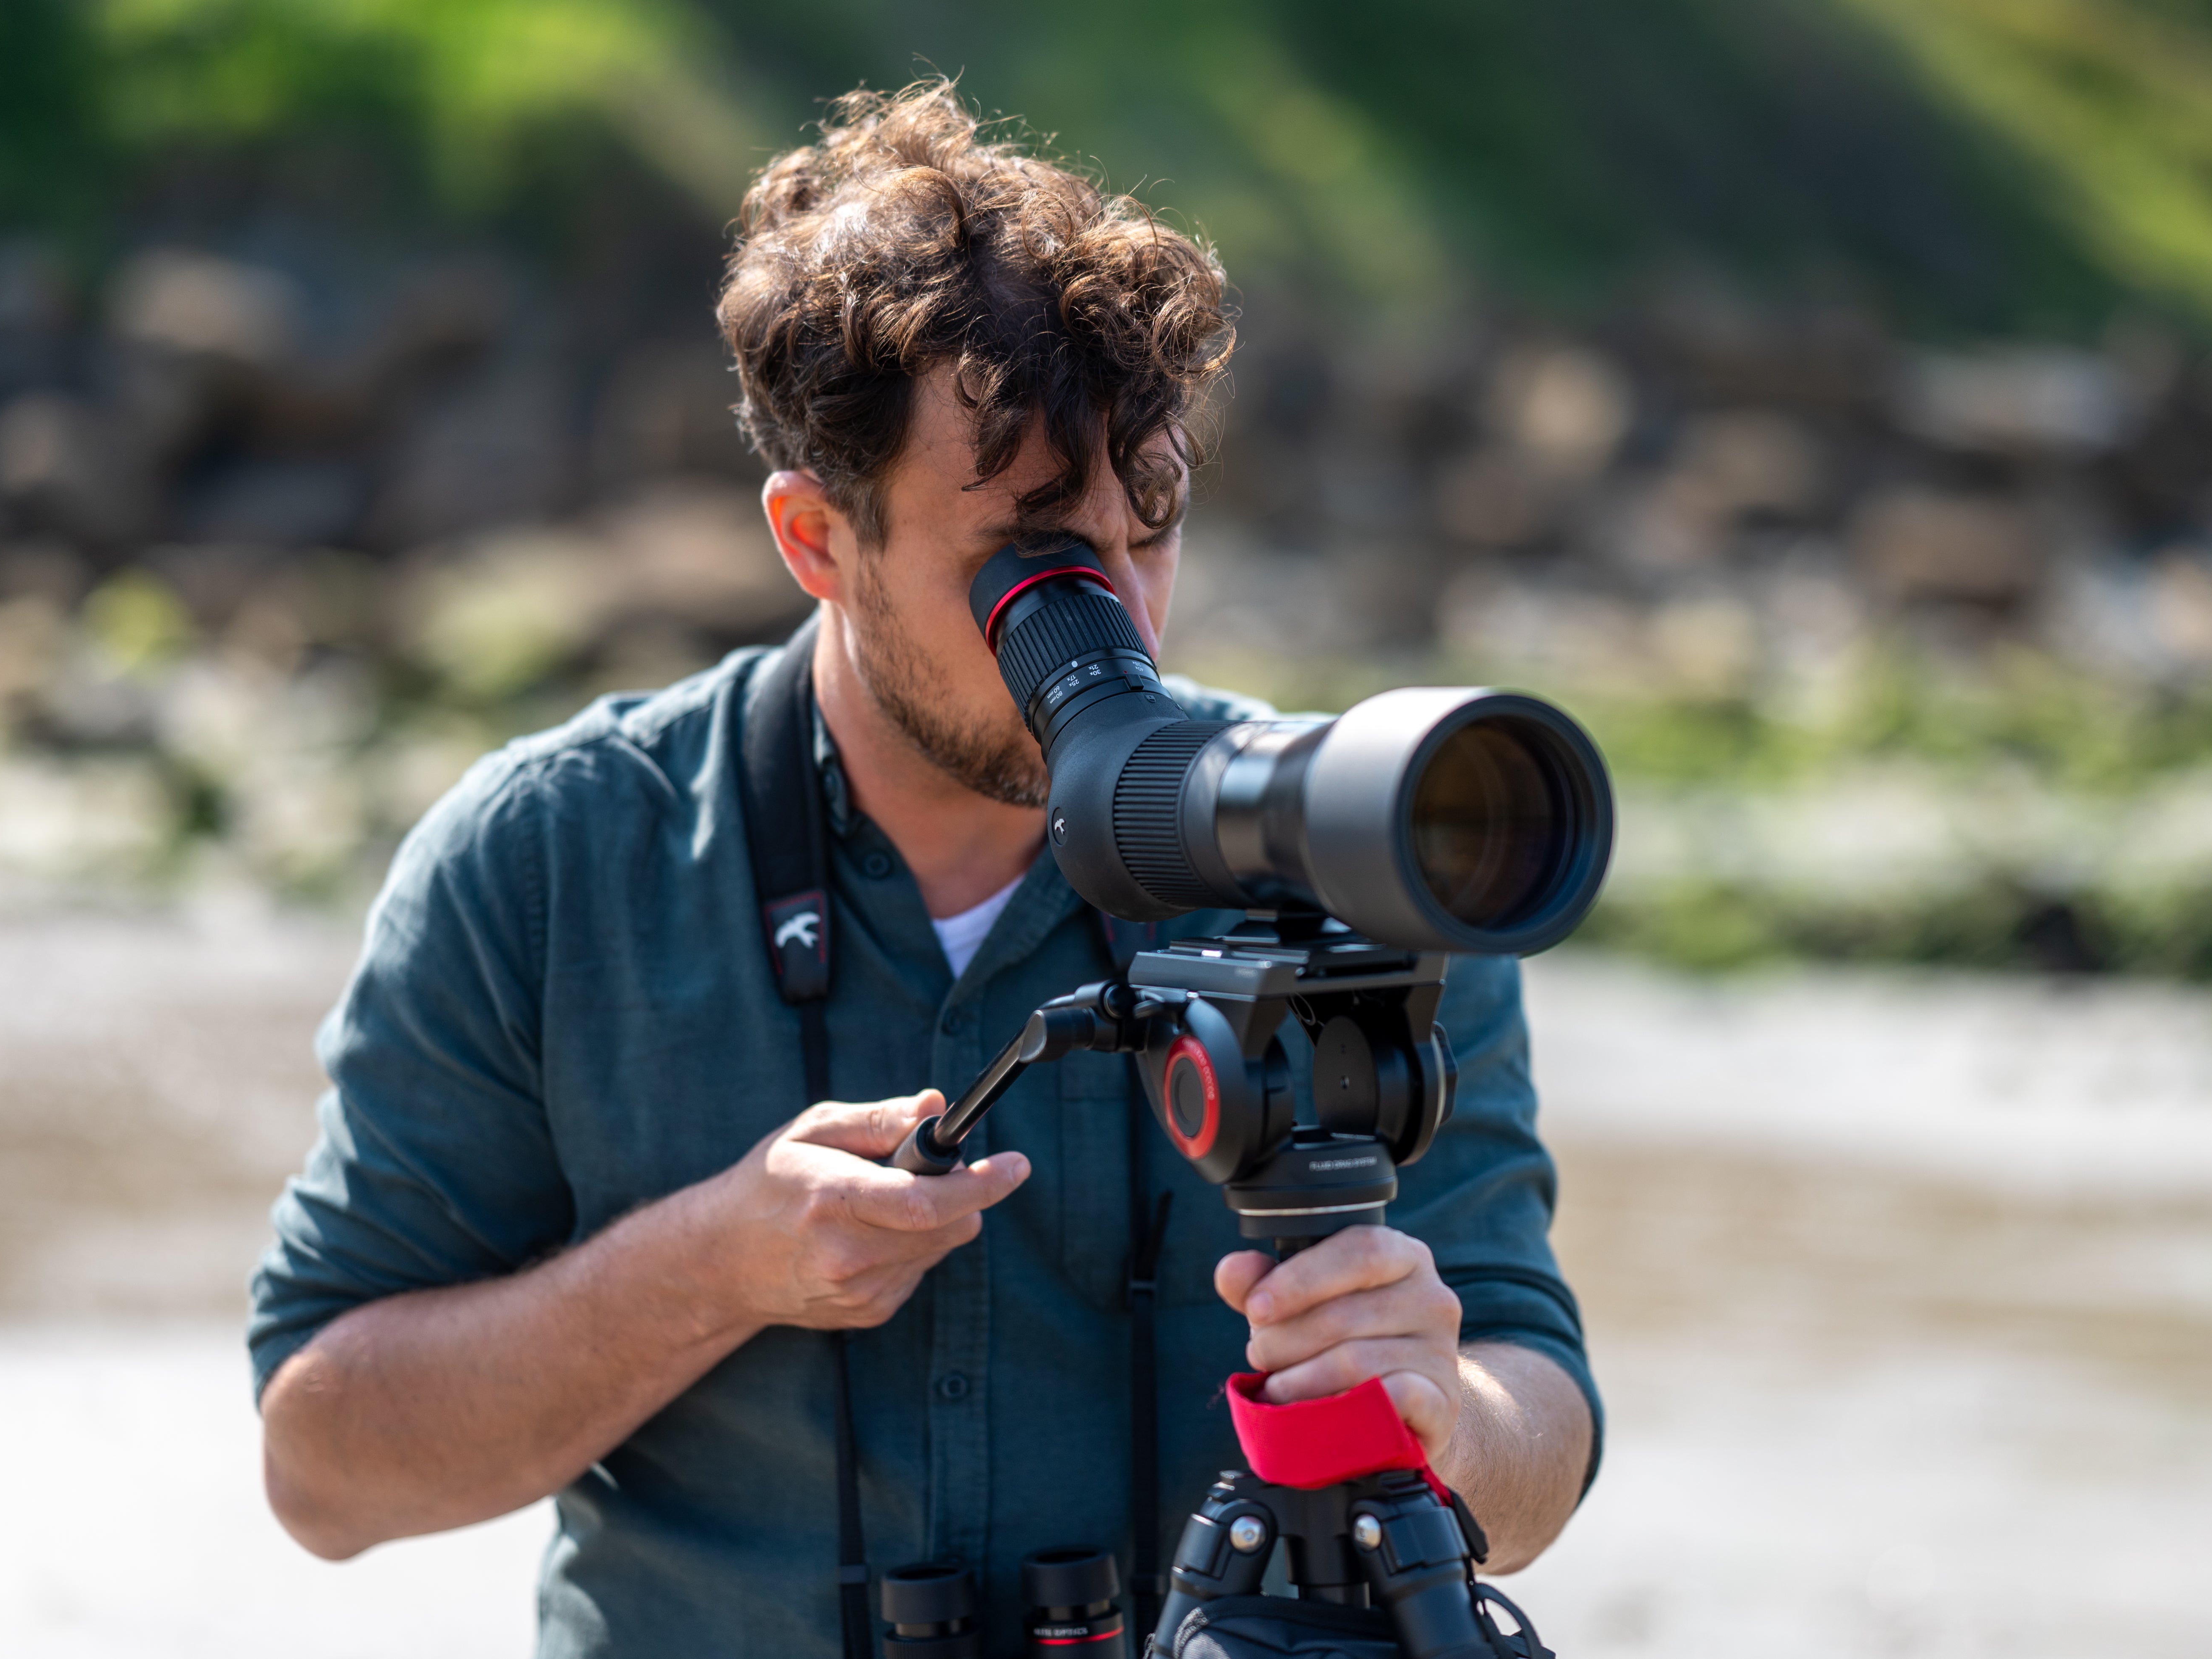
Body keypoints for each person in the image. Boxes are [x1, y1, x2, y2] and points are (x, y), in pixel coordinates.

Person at [249, 80, 1598, 1658]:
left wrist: (1443, 1414)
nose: (1118, 623)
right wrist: (707, 1266)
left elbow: (1541, 1416)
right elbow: (322, 1468)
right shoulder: (552, 860)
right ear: (817, 539)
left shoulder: (1344, 852)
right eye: (1035, 562)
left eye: (1151, 528)